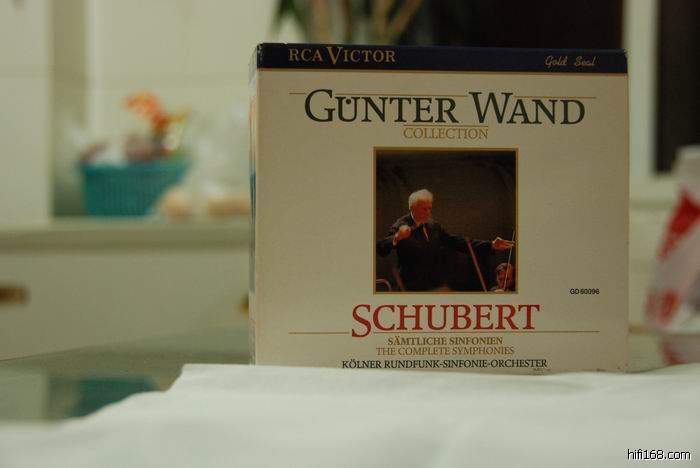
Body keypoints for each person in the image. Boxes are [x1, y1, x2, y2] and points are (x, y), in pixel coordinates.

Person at [376, 189, 514, 291]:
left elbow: (455, 241)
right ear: (412, 208)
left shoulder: (433, 225)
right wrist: (397, 237)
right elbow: (381, 247)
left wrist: (490, 245)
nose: (428, 213)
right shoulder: (401, 224)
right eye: (424, 209)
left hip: (433, 284)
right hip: (411, 287)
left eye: (430, 208)